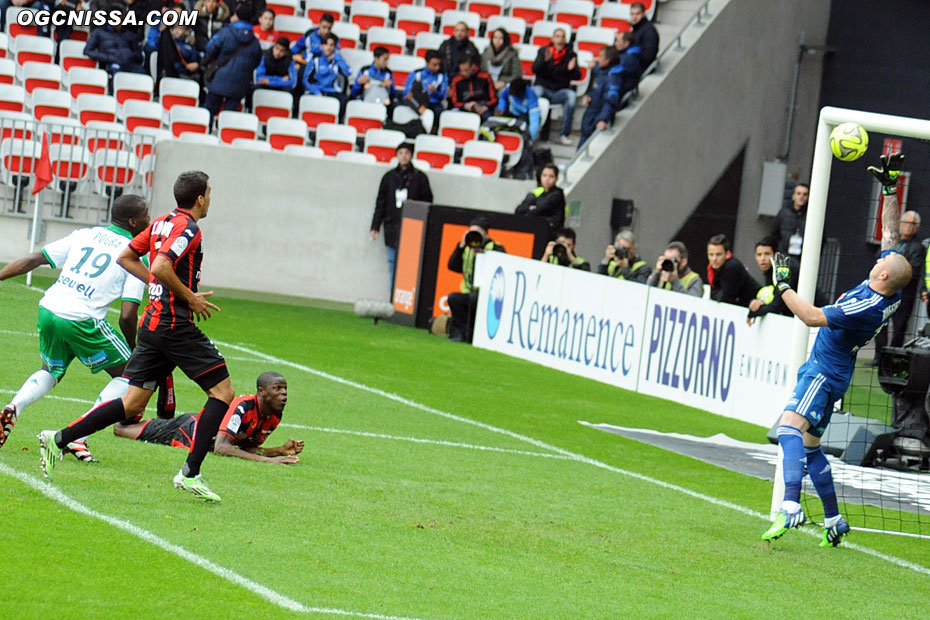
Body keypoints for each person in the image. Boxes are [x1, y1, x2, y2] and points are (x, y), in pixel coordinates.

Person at [38, 171, 236, 503]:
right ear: (200, 198)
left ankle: (58, 439)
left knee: (132, 403)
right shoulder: (188, 229)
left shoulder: (160, 222)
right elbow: (160, 266)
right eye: (210, 193)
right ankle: (191, 473)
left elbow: (127, 256)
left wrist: (157, 286)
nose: (210, 198)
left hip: (153, 325)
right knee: (222, 392)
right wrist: (189, 296)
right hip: (175, 325)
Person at [762, 153, 912, 547]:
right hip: (837, 373)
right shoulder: (887, 285)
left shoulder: (863, 306)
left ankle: (790, 505)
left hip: (824, 373)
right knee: (812, 449)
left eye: (885, 259)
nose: (884, 250)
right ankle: (833, 519)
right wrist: (890, 188)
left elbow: (811, 317)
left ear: (882, 275)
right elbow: (891, 236)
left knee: (787, 431)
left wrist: (782, 285)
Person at [0, 196, 151, 456]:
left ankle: (15, 406)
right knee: (132, 375)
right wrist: (136, 350)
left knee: (51, 369)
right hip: (83, 319)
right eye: (146, 215)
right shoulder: (134, 255)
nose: (150, 220)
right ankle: (77, 435)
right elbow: (127, 315)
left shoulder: (84, 235)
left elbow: (35, 258)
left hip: (50, 308)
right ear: (133, 221)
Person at [114, 372, 304, 465]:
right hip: (187, 431)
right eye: (278, 389)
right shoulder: (243, 406)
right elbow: (222, 448)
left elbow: (245, 448)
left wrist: (278, 451)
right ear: (261, 392)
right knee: (121, 429)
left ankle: (163, 386)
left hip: (199, 428)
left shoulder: (274, 415)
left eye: (285, 389)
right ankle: (153, 382)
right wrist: (268, 461)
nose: (284, 394)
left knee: (154, 422)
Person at [370, 143, 434, 293]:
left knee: (409, 265)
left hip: (412, 227)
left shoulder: (420, 178)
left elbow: (427, 202)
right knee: (392, 262)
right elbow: (381, 202)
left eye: (407, 153)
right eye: (400, 153)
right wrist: (375, 226)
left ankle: (405, 296)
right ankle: (393, 296)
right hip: (392, 226)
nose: (404, 156)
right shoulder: (389, 177)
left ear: (411, 155)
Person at [203, 4, 263, 129]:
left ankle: (205, 134)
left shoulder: (225, 32)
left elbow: (210, 48)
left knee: (209, 111)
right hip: (240, 84)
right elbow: (257, 62)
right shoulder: (255, 41)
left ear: (237, 15)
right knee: (229, 117)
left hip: (218, 79)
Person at [447, 216, 506, 343]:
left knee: (475, 299)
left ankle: (473, 335)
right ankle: (461, 333)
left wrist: (482, 254)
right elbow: (452, 265)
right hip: (469, 291)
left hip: (488, 295)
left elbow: (503, 270)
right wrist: (461, 246)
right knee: (453, 298)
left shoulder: (495, 248)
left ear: (485, 235)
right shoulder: (466, 248)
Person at [874, 210, 923, 353]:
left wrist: (894, 271)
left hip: (905, 292)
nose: (908, 226)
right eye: (906, 222)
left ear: (917, 227)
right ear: (900, 224)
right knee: (881, 322)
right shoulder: (891, 242)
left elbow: (913, 269)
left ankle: (892, 356)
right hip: (885, 290)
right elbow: (879, 260)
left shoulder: (918, 247)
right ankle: (879, 356)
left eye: (912, 223)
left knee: (900, 325)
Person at [531, 28, 581, 145]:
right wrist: (544, 61)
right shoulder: (544, 52)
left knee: (572, 96)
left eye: (562, 37)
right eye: (557, 36)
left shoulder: (570, 55)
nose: (560, 39)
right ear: (552, 39)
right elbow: (534, 69)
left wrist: (570, 70)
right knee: (536, 92)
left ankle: (565, 134)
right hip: (544, 88)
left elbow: (577, 76)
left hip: (559, 91)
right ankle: (533, 129)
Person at [747, 236, 797, 324]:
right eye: (759, 255)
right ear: (755, 257)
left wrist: (753, 312)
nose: (763, 259)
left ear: (775, 255)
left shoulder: (785, 269)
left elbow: (778, 305)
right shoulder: (770, 270)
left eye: (767, 254)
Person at [706, 233, 760, 306]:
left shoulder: (732, 266)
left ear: (727, 254)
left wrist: (717, 294)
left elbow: (726, 298)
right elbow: (714, 295)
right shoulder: (712, 268)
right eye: (711, 255)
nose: (714, 259)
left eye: (718, 254)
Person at [303, 33, 352, 111]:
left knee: (343, 100)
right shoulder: (315, 60)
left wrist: (337, 58)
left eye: (331, 45)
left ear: (335, 47)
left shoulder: (338, 60)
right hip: (317, 91)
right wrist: (316, 91)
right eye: (326, 44)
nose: (328, 48)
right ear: (321, 46)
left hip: (332, 92)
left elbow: (348, 72)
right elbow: (306, 80)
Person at [514, 163, 564, 231]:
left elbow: (539, 209)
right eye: (544, 175)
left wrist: (533, 209)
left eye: (551, 176)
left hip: (550, 230)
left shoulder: (557, 194)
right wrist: (529, 208)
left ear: (556, 178)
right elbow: (518, 210)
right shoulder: (539, 193)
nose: (547, 179)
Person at [403, 50, 448, 122]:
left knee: (440, 111)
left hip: (433, 104)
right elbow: (407, 92)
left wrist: (435, 92)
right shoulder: (416, 73)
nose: (437, 68)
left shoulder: (442, 76)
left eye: (439, 65)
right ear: (427, 63)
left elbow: (442, 95)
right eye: (434, 65)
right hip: (417, 102)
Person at [449, 54, 497, 121]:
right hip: (464, 108)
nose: (464, 73)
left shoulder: (485, 77)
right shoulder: (456, 81)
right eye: (461, 70)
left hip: (483, 108)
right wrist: (465, 106)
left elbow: (494, 99)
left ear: (473, 67)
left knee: (488, 118)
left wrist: (484, 107)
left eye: (466, 70)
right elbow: (455, 102)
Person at [770, 183, 808, 257]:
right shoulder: (784, 213)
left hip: (803, 257)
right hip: (784, 254)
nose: (801, 197)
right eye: (798, 193)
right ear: (793, 196)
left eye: (805, 194)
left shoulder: (812, 216)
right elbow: (774, 234)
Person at [481, 27, 521, 93]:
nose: (497, 40)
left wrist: (504, 82)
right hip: (487, 84)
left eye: (501, 38)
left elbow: (517, 75)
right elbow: (481, 71)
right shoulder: (486, 52)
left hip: (503, 85)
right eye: (495, 37)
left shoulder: (512, 54)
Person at [629, 1, 659, 68]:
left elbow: (649, 55)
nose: (634, 17)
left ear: (643, 14)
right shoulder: (636, 28)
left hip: (640, 66)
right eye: (632, 14)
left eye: (637, 14)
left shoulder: (649, 31)